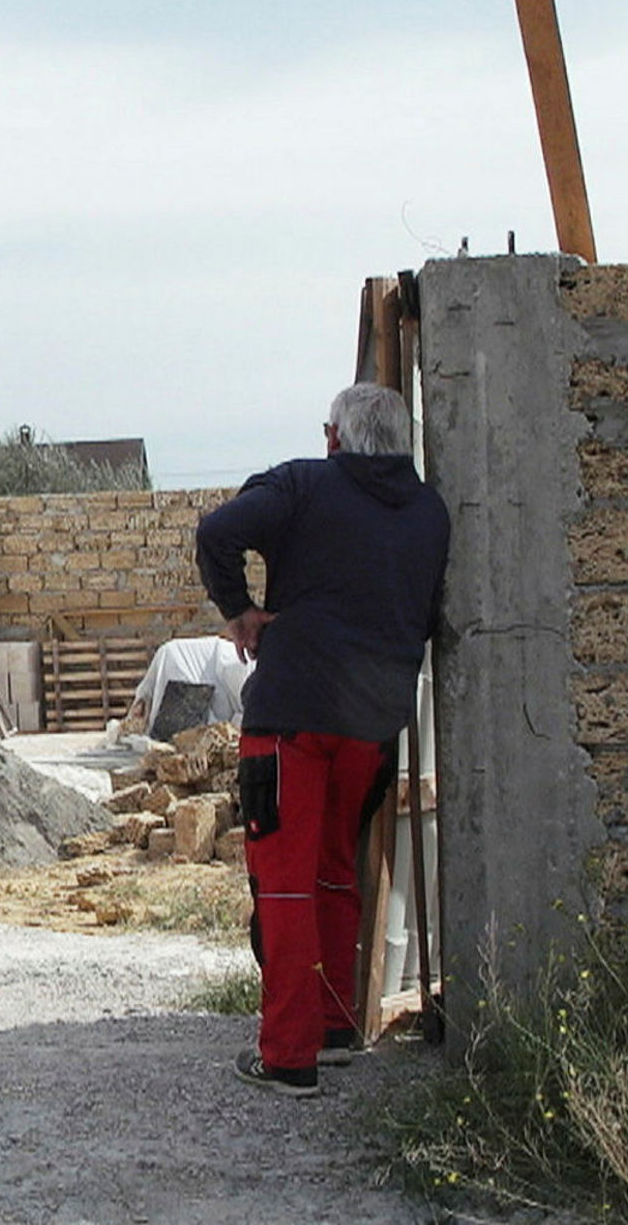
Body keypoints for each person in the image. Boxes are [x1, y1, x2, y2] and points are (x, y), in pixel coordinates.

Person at [193, 382, 450, 1096]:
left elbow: (216, 533)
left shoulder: (305, 483)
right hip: (372, 726)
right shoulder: (430, 511)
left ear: (334, 436)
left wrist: (241, 611)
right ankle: (336, 1029)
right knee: (339, 870)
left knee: (283, 886)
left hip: (293, 721)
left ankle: (288, 1059)